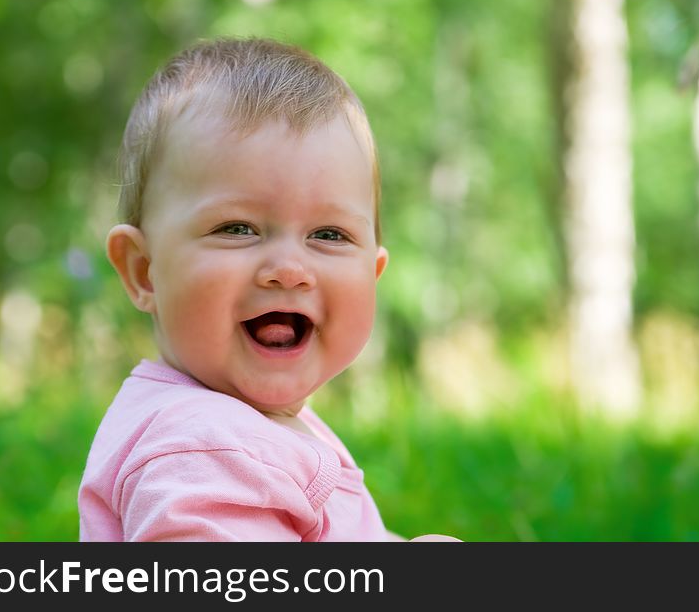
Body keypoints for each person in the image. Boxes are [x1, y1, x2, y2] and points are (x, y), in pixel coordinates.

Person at [78, 37, 457, 542]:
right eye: (237, 228)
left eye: (329, 235)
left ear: (373, 273)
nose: (288, 269)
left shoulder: (244, 427)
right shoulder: (201, 446)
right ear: (145, 271)